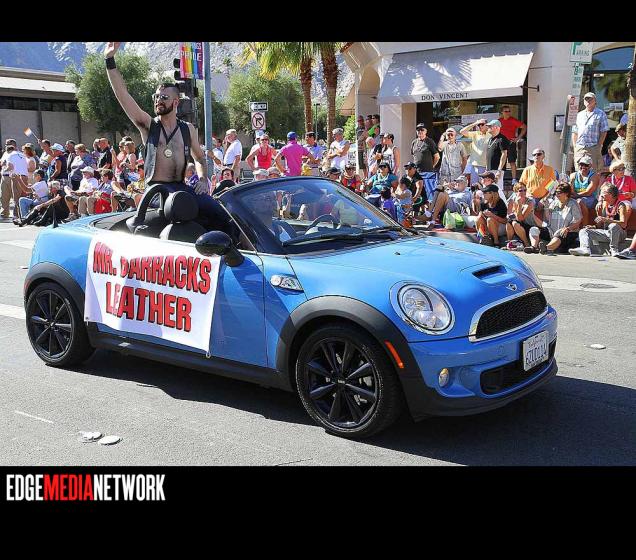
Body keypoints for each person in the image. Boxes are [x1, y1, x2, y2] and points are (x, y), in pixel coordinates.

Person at [104, 42, 229, 232]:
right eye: (156, 97)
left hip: (181, 188)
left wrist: (203, 179)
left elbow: (199, 158)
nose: (158, 100)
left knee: (220, 213)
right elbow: (122, 94)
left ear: (176, 102)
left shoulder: (188, 129)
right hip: (156, 193)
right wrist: (109, 60)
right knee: (179, 210)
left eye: (164, 97)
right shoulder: (148, 125)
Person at [570, 183, 631, 257]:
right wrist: (594, 226)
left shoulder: (621, 205)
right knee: (584, 231)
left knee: (613, 226)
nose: (601, 195)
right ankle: (585, 249)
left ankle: (614, 249)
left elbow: (623, 224)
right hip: (607, 233)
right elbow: (600, 225)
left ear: (611, 194)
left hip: (619, 234)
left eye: (603, 192)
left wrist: (607, 220)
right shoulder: (604, 204)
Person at [524, 182, 582, 254]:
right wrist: (546, 207)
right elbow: (548, 219)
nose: (556, 194)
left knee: (560, 234)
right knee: (534, 229)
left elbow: (578, 220)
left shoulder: (573, 204)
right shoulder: (554, 203)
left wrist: (568, 228)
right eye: (556, 192)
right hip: (552, 231)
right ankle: (534, 247)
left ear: (566, 193)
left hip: (568, 232)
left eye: (559, 192)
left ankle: (546, 248)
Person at [572, 92, 610, 172]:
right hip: (580, 147)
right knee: (579, 171)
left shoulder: (600, 114)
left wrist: (599, 145)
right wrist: (575, 146)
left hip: (593, 147)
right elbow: (575, 132)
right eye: (586, 99)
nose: (588, 101)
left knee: (593, 171)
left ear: (595, 101)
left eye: (590, 99)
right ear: (584, 102)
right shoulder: (579, 115)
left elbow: (604, 131)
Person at [410, 123, 440, 202]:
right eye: (418, 130)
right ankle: (420, 208)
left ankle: (430, 209)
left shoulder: (429, 141)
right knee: (417, 193)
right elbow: (414, 156)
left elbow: (437, 157)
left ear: (426, 131)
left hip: (428, 173)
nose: (420, 131)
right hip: (417, 173)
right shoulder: (414, 142)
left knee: (429, 194)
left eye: (422, 130)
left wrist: (432, 166)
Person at [1, 139, 29, 218]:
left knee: (16, 197)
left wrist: (4, 170)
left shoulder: (11, 154)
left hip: (14, 176)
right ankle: (7, 214)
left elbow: (10, 167)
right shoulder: (20, 154)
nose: (6, 146)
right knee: (6, 196)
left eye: (7, 145)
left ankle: (17, 215)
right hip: (15, 176)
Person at [474, 180, 508, 247]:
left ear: (492, 194)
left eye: (485, 193)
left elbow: (505, 221)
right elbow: (480, 215)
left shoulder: (500, 203)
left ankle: (496, 242)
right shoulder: (483, 203)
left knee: (490, 219)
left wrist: (492, 215)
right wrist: (481, 214)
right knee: (478, 219)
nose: (483, 194)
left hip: (500, 228)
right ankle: (484, 238)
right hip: (489, 227)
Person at [569, 155, 600, 225]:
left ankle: (584, 226)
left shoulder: (594, 176)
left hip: (590, 199)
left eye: (586, 165)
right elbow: (571, 190)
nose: (583, 167)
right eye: (581, 164)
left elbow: (588, 193)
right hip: (576, 197)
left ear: (590, 166)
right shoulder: (573, 175)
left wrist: (574, 196)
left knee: (579, 202)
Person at [499, 106, 526, 182]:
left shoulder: (513, 120)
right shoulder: (499, 121)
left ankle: (514, 179)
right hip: (501, 144)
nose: (508, 113)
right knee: (501, 162)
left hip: (510, 143)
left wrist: (518, 138)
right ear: (502, 112)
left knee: (512, 162)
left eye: (509, 111)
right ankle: (500, 179)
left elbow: (524, 127)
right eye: (506, 111)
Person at [505, 182, 535, 248]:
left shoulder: (529, 202)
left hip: (529, 225)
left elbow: (520, 218)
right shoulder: (512, 200)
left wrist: (519, 205)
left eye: (525, 190)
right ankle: (509, 243)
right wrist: (512, 214)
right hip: (518, 224)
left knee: (515, 223)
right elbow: (509, 214)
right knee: (509, 223)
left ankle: (526, 243)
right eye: (520, 191)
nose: (523, 192)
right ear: (516, 192)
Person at [459, 118, 490, 184]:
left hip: (485, 165)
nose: (480, 126)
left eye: (482, 124)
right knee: (474, 185)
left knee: (483, 185)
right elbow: (462, 131)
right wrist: (475, 123)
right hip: (474, 165)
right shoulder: (475, 134)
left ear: (487, 125)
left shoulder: (490, 134)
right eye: (479, 125)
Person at [485, 119, 509, 196]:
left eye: (490, 126)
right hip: (490, 169)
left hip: (497, 169)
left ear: (496, 127)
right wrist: (487, 168)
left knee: (497, 190)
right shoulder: (490, 139)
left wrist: (499, 170)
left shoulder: (502, 139)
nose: (488, 127)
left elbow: (504, 154)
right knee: (489, 190)